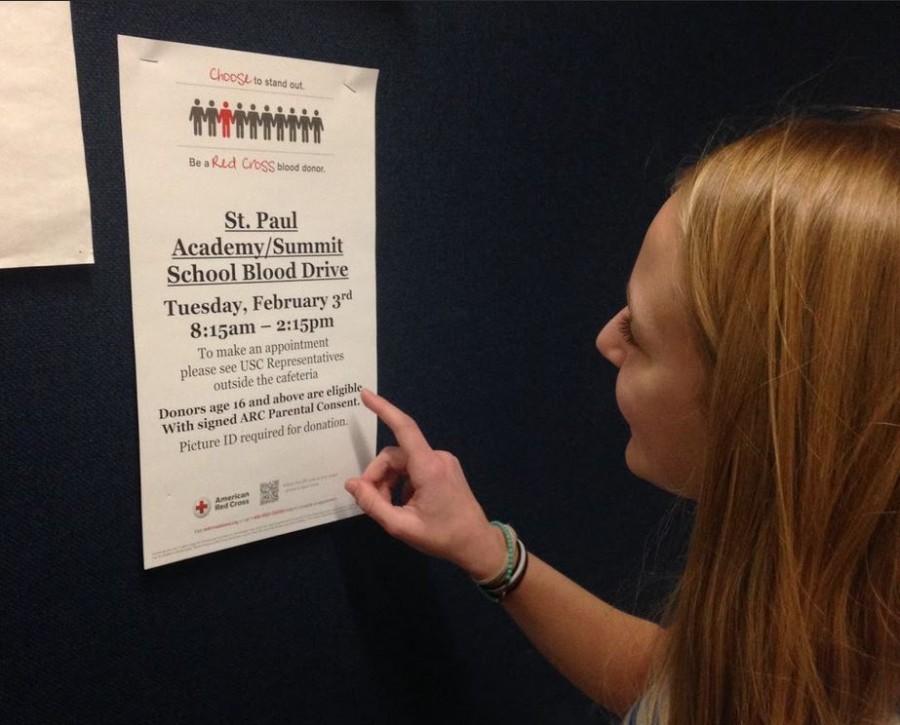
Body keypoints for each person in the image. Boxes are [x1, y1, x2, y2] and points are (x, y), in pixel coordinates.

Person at [345, 111, 899, 725]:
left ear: (763, 400)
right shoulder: (842, 630)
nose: (608, 339)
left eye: (639, 330)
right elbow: (698, 690)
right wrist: (489, 552)